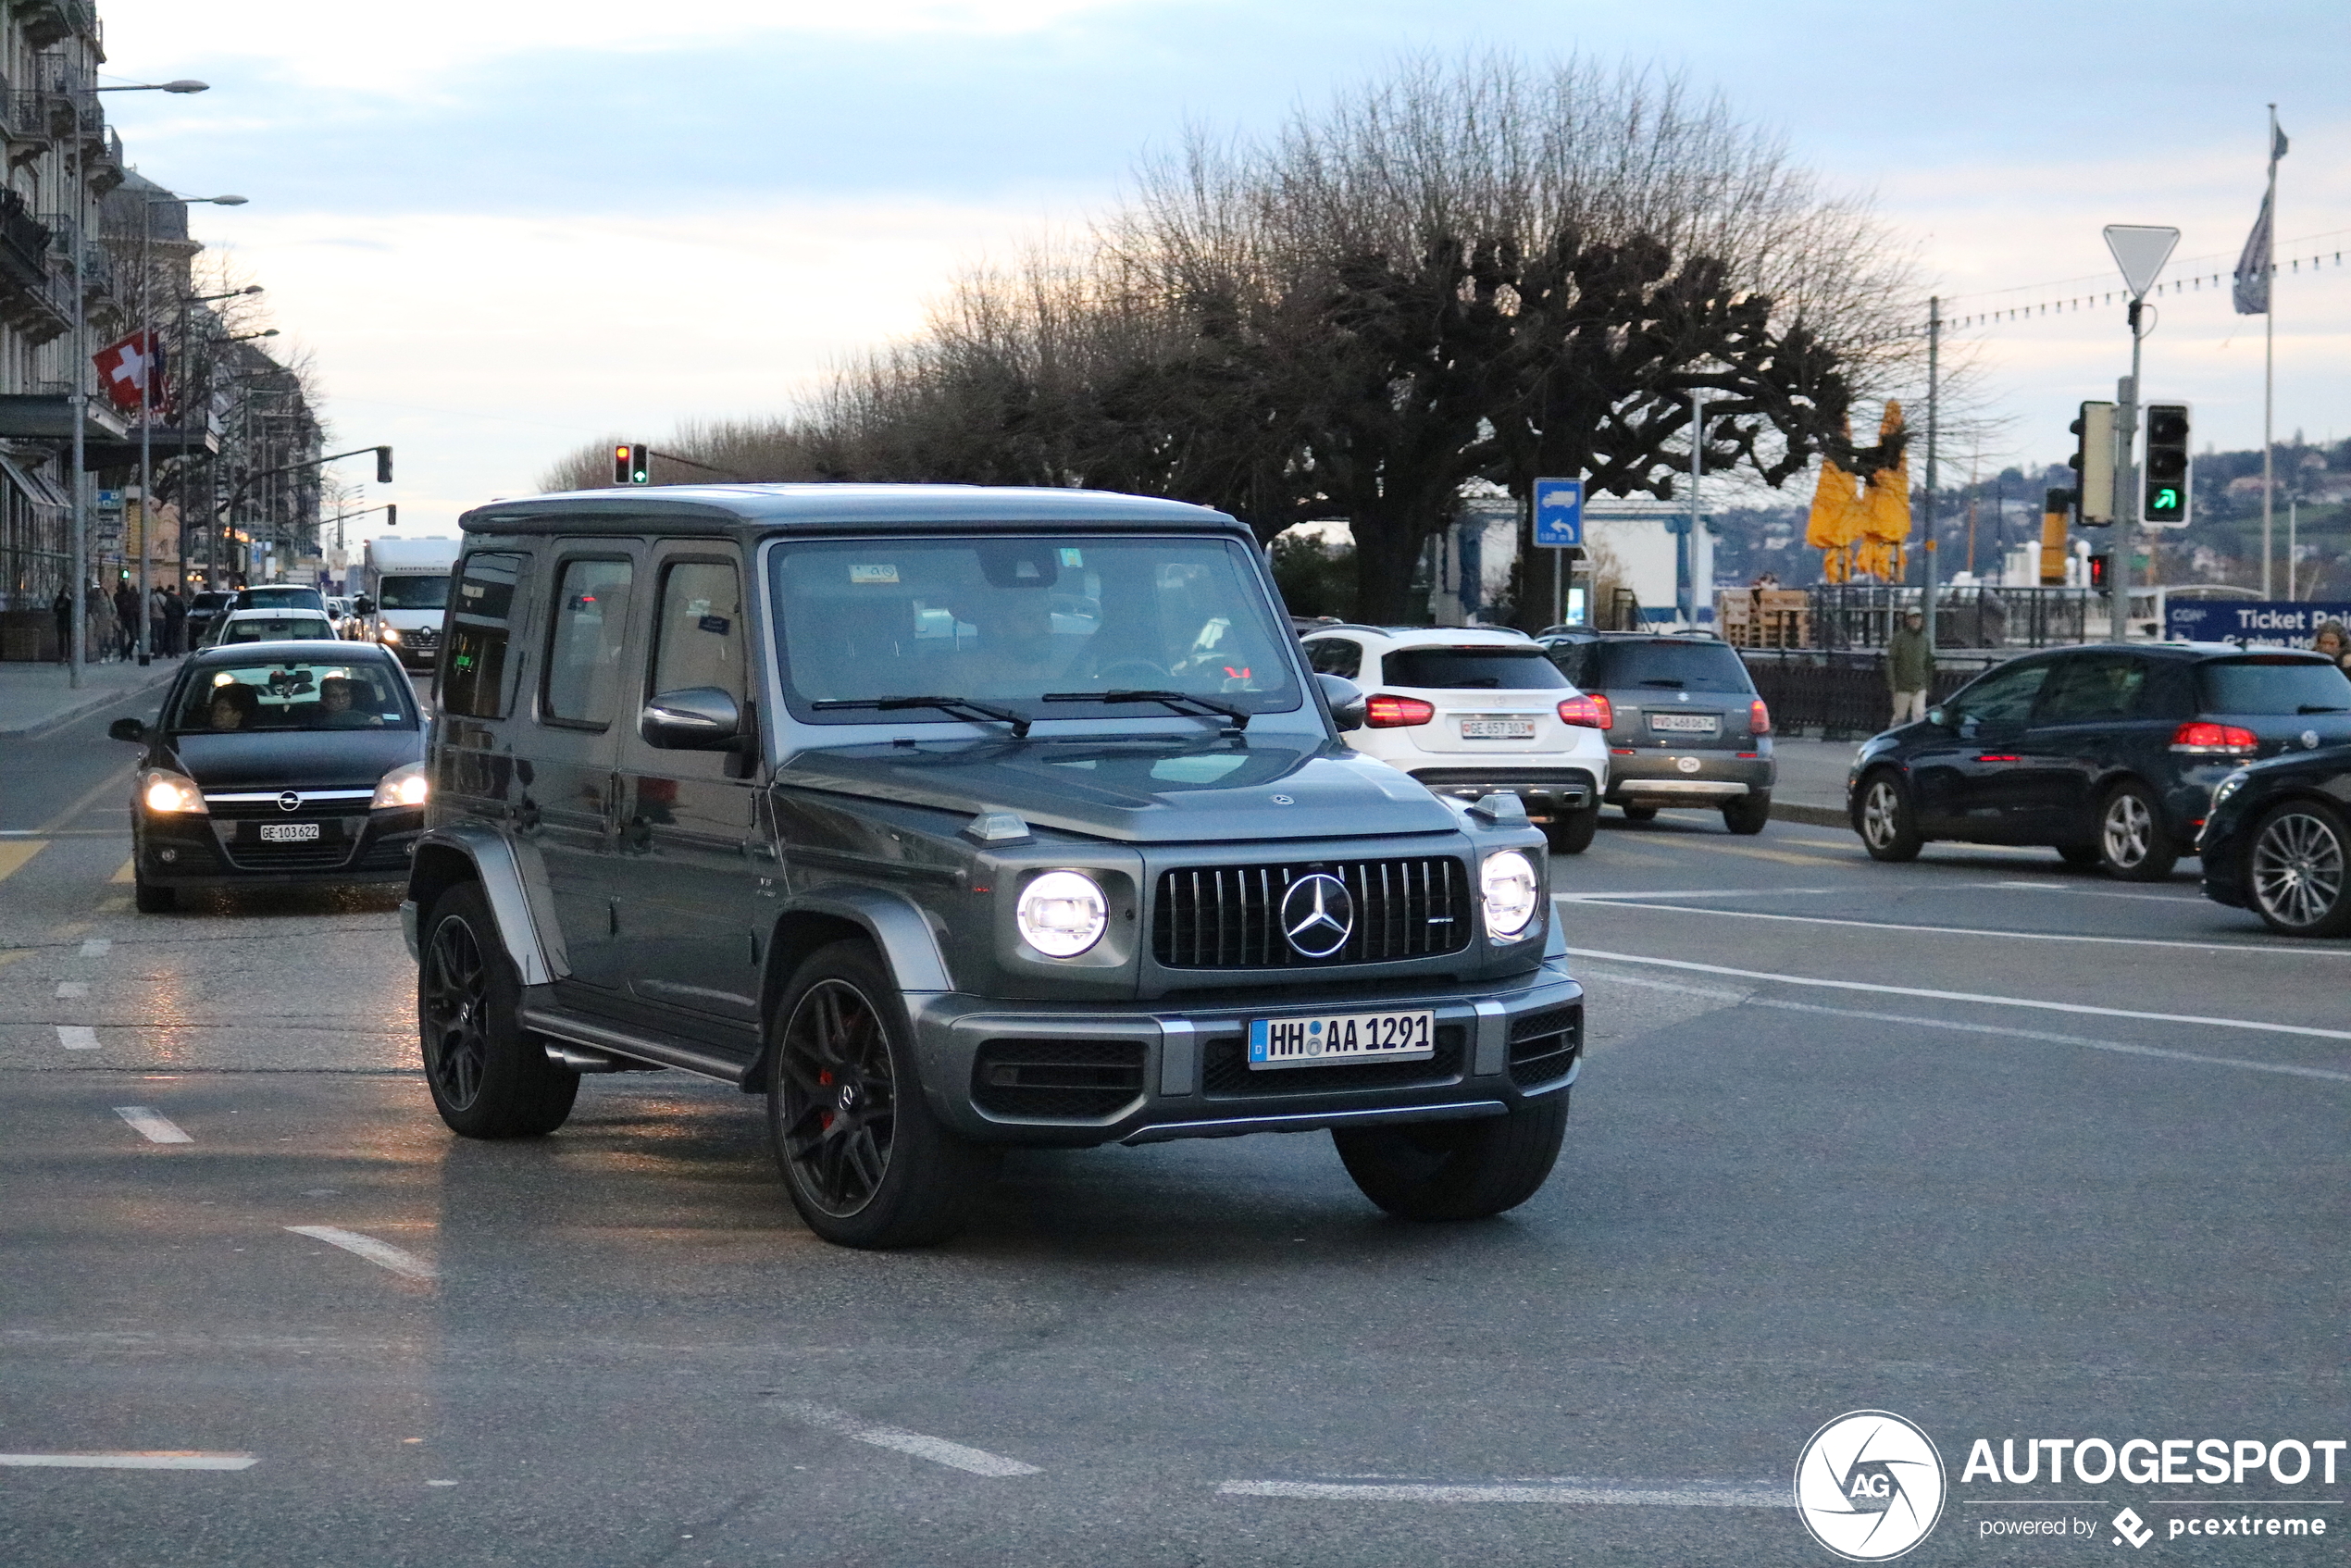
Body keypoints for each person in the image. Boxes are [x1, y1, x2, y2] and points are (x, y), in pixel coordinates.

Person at [1887, 606, 1935, 726]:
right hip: (1902, 686)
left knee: (1919, 716)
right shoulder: (1899, 638)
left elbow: (1929, 663)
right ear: (1907, 620)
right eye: (1912, 618)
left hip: (1919, 686)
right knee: (1899, 717)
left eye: (1918, 618)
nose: (1915, 621)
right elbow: (1891, 661)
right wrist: (1893, 685)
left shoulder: (1925, 639)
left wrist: (1928, 685)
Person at [315, 676, 380, 728]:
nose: (341, 701)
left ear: (350, 697)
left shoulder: (370, 718)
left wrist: (379, 727)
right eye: (334, 697)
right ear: (323, 701)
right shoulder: (315, 726)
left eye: (345, 695)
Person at [113, 579, 140, 661]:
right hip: (124, 617)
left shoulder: (122, 596)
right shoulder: (118, 596)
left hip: (127, 617)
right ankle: (125, 653)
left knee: (131, 637)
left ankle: (126, 652)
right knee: (125, 637)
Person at [162, 587, 187, 656]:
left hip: (170, 620)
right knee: (177, 636)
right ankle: (177, 651)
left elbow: (166, 609)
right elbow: (183, 611)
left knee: (169, 636)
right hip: (178, 620)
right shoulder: (179, 598)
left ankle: (170, 652)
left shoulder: (168, 599)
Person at [50, 587, 72, 664]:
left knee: (70, 640)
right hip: (61, 621)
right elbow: (55, 609)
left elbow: (74, 608)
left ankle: (69, 656)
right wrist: (60, 606)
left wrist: (69, 600)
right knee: (61, 639)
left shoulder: (71, 599)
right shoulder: (59, 599)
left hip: (69, 621)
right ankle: (62, 656)